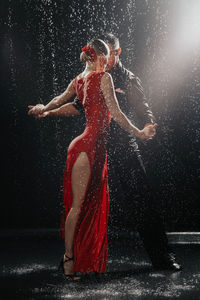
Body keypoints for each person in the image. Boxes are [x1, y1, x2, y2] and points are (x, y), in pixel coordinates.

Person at [28, 38, 156, 280]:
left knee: (85, 206)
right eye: (105, 58)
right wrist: (139, 133)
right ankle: (69, 260)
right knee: (78, 206)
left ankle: (77, 259)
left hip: (89, 149)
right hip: (87, 148)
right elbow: (116, 113)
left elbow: (58, 100)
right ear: (95, 56)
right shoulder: (103, 78)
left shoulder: (78, 80)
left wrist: (43, 109)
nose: (107, 64)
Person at [71, 33, 182, 271]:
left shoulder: (127, 78)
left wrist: (148, 124)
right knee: (83, 202)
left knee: (143, 202)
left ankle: (163, 257)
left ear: (117, 53)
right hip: (95, 146)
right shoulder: (91, 75)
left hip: (123, 148)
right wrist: (48, 110)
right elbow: (77, 105)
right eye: (100, 54)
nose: (104, 58)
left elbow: (143, 107)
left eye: (108, 54)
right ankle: (78, 260)